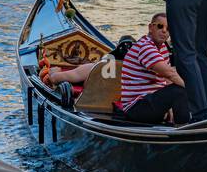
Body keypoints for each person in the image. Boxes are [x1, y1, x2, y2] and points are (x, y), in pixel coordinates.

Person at [49, 14, 190, 126]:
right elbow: (171, 74)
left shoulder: (163, 48)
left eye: (168, 28)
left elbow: (165, 80)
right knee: (180, 89)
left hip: (148, 103)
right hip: (137, 107)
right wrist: (194, 91)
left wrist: (170, 106)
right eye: (160, 26)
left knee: (179, 89)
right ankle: (185, 129)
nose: (164, 31)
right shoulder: (146, 48)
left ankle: (183, 125)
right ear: (150, 28)